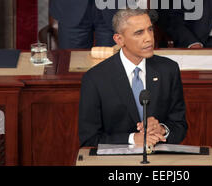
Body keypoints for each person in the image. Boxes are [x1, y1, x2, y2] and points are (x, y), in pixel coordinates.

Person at [78, 9, 188, 147]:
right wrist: (132, 139)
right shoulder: (95, 79)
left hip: (159, 158)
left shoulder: (168, 70)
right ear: (119, 39)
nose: (149, 38)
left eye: (150, 30)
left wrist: (162, 129)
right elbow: (89, 139)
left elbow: (180, 125)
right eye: (139, 33)